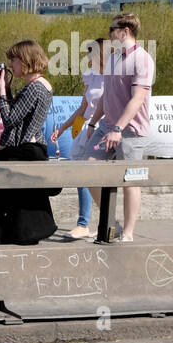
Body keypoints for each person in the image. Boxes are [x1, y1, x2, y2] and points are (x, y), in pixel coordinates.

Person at [85, 13, 155, 242]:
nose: (109, 34)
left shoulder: (143, 59)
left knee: (130, 181)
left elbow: (137, 99)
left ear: (124, 31)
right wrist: (94, 122)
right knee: (87, 168)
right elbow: (107, 95)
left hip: (131, 131)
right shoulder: (114, 58)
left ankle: (128, 233)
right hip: (107, 127)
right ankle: (111, 222)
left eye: (111, 29)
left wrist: (118, 128)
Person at [0, 40, 57, 246]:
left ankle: (8, 245)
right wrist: (8, 90)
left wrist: (1, 93)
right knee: (24, 207)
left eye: (14, 60)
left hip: (24, 151)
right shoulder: (42, 85)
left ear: (26, 60)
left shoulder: (34, 88)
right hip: (32, 150)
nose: (11, 65)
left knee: (13, 208)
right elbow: (19, 115)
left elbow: (10, 120)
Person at [50, 37, 107, 239]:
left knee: (89, 173)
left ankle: (100, 221)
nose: (87, 57)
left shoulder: (112, 76)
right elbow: (83, 108)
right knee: (83, 173)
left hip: (102, 128)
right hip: (88, 128)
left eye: (91, 53)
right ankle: (88, 223)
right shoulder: (92, 77)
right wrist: (64, 128)